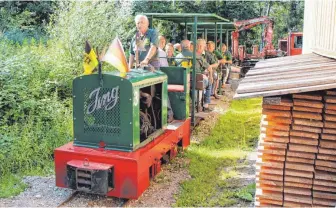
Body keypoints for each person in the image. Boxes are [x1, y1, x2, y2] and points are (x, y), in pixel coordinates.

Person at [195, 39, 213, 112]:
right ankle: (205, 105)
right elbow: (209, 67)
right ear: (199, 46)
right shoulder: (199, 57)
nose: (204, 48)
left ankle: (198, 102)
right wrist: (211, 76)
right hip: (197, 80)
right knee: (209, 82)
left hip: (185, 79)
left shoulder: (188, 54)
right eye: (203, 47)